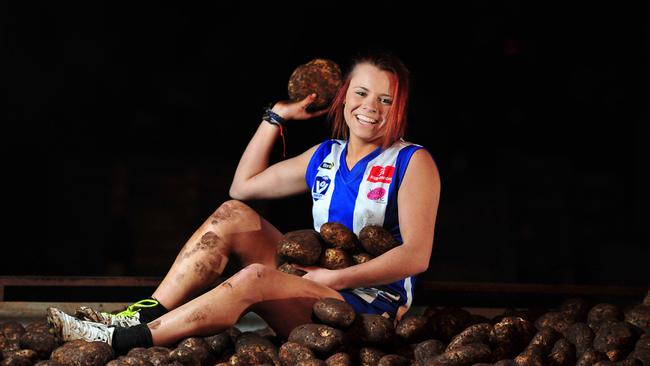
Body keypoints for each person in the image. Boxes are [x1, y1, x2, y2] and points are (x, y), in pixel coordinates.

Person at [47, 52, 441, 354]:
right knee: (233, 215)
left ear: (398, 108)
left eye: (386, 100)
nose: (370, 107)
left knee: (254, 276)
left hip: (365, 310)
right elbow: (242, 186)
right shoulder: (326, 155)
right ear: (342, 97)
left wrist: (332, 279)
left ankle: (122, 340)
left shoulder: (412, 161)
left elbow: (416, 256)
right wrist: (276, 117)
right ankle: (144, 311)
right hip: (312, 285)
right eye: (361, 92)